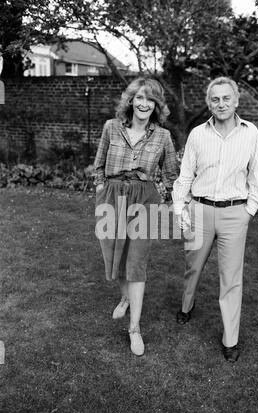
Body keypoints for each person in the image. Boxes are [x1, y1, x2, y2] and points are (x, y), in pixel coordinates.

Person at [172, 76, 258, 362]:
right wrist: (179, 207)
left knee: (231, 278)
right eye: (215, 99)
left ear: (236, 101)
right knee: (193, 266)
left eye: (226, 98)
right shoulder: (198, 134)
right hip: (200, 210)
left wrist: (248, 211)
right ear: (208, 104)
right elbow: (186, 174)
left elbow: (256, 176)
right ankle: (187, 304)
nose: (221, 103)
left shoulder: (251, 133)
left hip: (235, 213)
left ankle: (230, 339)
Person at [93, 77, 178, 356]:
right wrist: (101, 186)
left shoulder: (163, 137)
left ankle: (134, 328)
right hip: (113, 196)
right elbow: (100, 163)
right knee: (117, 255)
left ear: (157, 105)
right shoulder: (111, 127)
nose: (144, 104)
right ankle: (124, 297)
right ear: (131, 100)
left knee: (137, 261)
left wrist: (164, 200)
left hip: (145, 198)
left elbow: (170, 174)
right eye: (139, 98)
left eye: (150, 99)